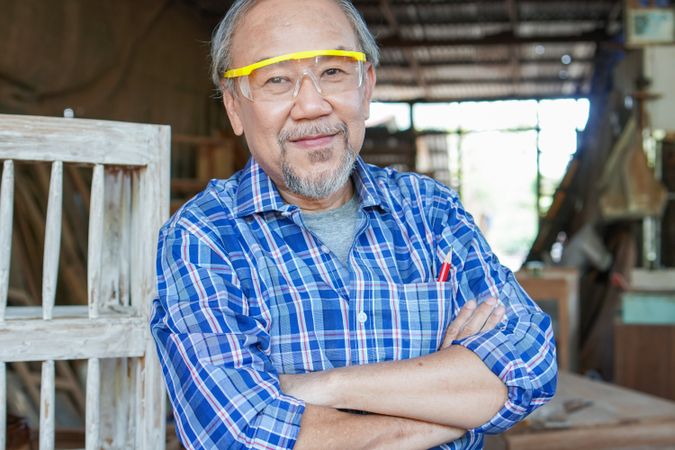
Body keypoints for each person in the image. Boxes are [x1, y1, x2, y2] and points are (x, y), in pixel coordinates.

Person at [150, 0, 558, 448]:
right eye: (276, 80)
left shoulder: (431, 211)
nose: (310, 105)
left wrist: (323, 386)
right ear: (233, 107)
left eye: (333, 73)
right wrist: (457, 409)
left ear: (366, 88)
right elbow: (240, 436)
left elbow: (529, 364)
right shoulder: (203, 238)